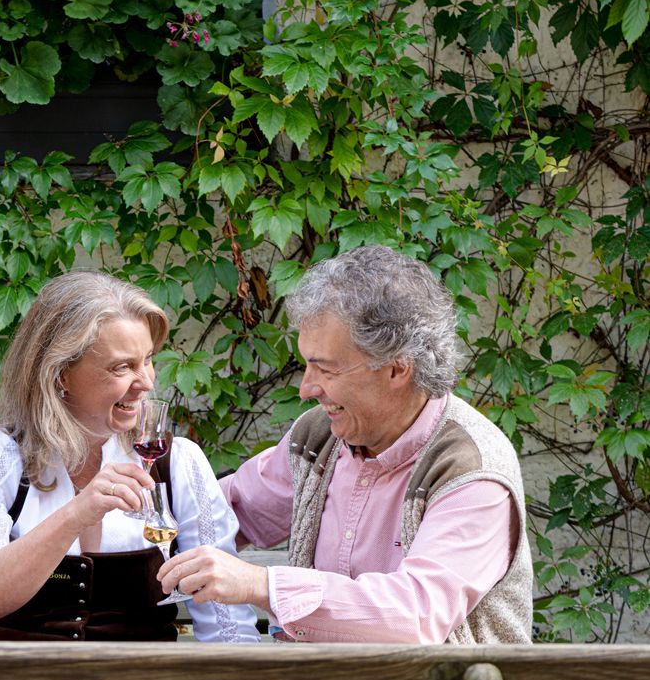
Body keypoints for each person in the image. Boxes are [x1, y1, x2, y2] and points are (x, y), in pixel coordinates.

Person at [157, 244, 533, 643]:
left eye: (326, 369)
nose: (306, 388)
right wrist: (118, 503)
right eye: (307, 364)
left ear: (397, 368)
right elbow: (218, 513)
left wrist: (263, 585)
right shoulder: (319, 436)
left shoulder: (471, 469)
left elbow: (417, 615)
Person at [0, 271, 261, 642]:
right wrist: (77, 514)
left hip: (139, 679)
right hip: (21, 677)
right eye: (122, 367)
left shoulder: (176, 463)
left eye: (147, 360)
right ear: (60, 374)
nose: (146, 382)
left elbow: (226, 622)